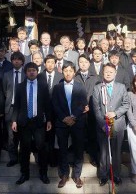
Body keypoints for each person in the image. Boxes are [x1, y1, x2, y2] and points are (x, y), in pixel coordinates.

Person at [12, 62, 52, 185]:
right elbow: (16, 106)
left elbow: (47, 104)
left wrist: (49, 120)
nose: (31, 72)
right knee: (24, 149)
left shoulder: (43, 86)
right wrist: (14, 120)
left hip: (39, 122)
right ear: (26, 72)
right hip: (24, 122)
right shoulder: (19, 86)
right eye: (29, 70)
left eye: (34, 70)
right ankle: (24, 174)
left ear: (37, 72)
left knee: (41, 147)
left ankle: (43, 173)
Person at [52, 61, 88, 189]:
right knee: (62, 150)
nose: (68, 73)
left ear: (74, 72)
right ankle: (64, 175)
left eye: (70, 71)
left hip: (77, 122)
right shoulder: (57, 87)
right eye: (65, 70)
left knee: (78, 149)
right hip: (62, 123)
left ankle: (77, 175)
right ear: (62, 71)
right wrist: (64, 118)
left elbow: (83, 103)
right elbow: (55, 105)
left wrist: (73, 117)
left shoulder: (80, 86)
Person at [93, 63, 130, 186]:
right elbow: (96, 108)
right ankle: (103, 175)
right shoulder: (98, 87)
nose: (108, 74)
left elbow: (126, 104)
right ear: (102, 73)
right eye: (106, 71)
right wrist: (102, 124)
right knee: (104, 152)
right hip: (103, 125)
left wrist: (115, 113)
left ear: (115, 73)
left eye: (111, 71)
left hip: (117, 124)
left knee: (116, 151)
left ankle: (116, 175)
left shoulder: (121, 87)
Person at [74, 54, 100, 166]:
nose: (83, 64)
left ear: (89, 64)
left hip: (92, 111)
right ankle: (78, 158)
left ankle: (93, 157)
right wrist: (81, 106)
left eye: (85, 62)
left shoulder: (95, 78)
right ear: (78, 64)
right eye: (81, 62)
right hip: (78, 111)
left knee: (92, 135)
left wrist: (90, 105)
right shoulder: (75, 78)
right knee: (78, 136)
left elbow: (97, 94)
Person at [38, 54, 63, 167]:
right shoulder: (39, 76)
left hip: (56, 112)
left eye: (52, 62)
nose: (50, 65)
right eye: (48, 62)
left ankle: (53, 159)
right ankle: (43, 160)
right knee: (43, 138)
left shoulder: (61, 76)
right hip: (42, 112)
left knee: (54, 137)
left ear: (55, 64)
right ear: (44, 63)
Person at [3, 51, 25, 167]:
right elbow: (4, 91)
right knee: (11, 136)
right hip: (10, 109)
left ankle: (22, 158)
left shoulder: (27, 74)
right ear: (11, 61)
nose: (16, 61)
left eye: (19, 59)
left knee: (22, 135)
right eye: (14, 59)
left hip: (23, 109)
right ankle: (13, 158)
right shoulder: (6, 75)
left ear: (22, 61)